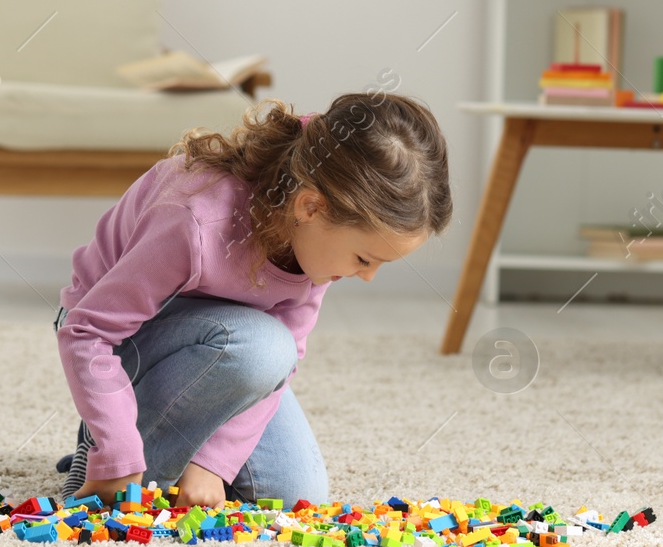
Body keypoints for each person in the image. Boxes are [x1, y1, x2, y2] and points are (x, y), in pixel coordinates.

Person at [53, 90, 452, 507]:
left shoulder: (317, 245)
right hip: (123, 341)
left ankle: (165, 447)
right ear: (311, 207)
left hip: (228, 349)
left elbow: (284, 365)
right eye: (364, 258)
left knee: (297, 494)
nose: (367, 276)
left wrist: (213, 462)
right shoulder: (193, 221)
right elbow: (86, 331)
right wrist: (118, 448)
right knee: (261, 348)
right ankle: (108, 447)